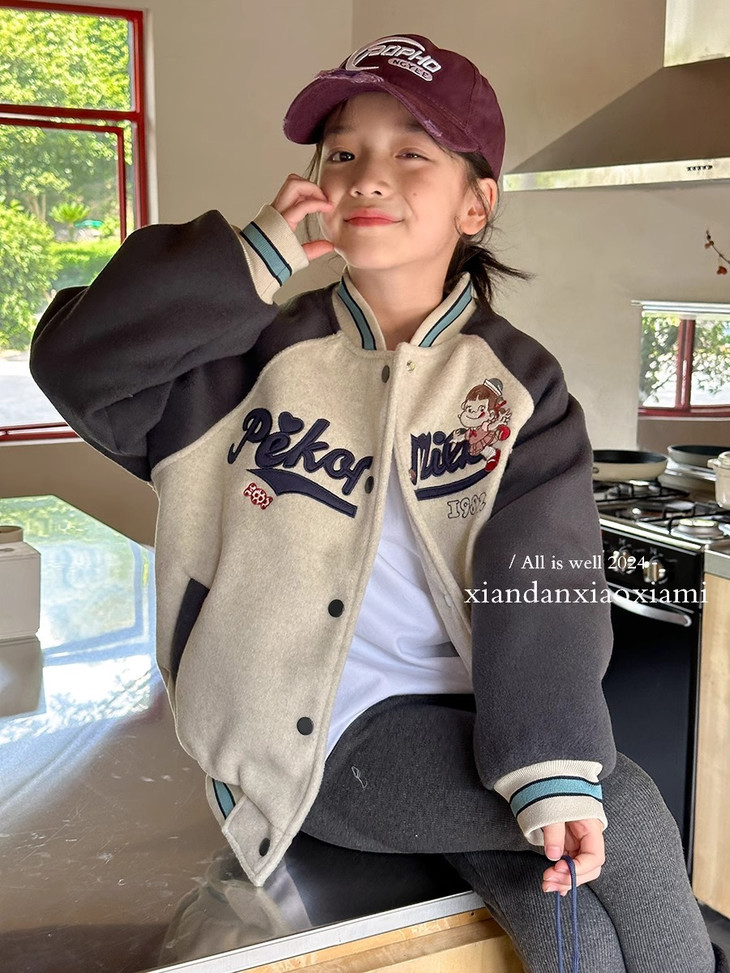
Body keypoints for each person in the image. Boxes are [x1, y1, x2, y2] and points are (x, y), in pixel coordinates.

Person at [30, 33, 727, 973]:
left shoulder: (517, 385)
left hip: (479, 727)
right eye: (343, 153)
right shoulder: (237, 362)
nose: (367, 176)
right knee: (628, 806)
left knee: (576, 923)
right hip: (314, 739)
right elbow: (77, 364)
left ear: (476, 203)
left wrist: (549, 766)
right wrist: (249, 258)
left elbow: (545, 580)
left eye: (411, 153)